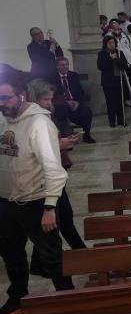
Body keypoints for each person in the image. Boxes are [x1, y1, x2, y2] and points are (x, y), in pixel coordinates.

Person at [0, 71, 74, 314]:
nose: (1, 103)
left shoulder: (40, 123)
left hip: (35, 202)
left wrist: (50, 207)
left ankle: (69, 307)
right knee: (11, 254)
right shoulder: (3, 119)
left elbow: (54, 170)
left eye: (5, 98)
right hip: (6, 202)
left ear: (21, 95)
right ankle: (18, 297)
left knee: (52, 258)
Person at [26, 79, 86, 263]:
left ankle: (79, 253)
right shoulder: (33, 120)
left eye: (50, 99)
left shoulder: (45, 116)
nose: (49, 104)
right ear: (34, 99)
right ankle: (82, 255)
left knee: (62, 219)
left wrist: (63, 142)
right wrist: (60, 144)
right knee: (61, 220)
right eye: (46, 100)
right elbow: (37, 151)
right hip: (44, 179)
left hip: (54, 174)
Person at [50, 57, 95, 143]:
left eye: (67, 64)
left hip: (75, 103)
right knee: (61, 111)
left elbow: (80, 92)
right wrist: (66, 102)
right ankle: (65, 138)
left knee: (87, 111)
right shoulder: (53, 78)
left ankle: (87, 135)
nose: (65, 67)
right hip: (61, 104)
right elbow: (53, 95)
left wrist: (77, 102)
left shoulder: (74, 75)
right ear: (57, 66)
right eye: (62, 65)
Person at [96, 36, 129, 127]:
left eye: (113, 43)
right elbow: (101, 66)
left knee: (120, 102)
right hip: (108, 82)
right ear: (106, 44)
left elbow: (125, 66)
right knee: (110, 102)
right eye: (110, 43)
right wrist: (110, 59)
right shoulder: (102, 54)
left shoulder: (119, 52)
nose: (112, 45)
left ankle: (121, 120)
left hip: (119, 81)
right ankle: (112, 121)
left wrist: (115, 59)